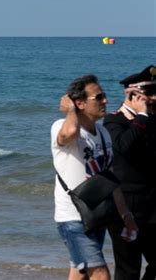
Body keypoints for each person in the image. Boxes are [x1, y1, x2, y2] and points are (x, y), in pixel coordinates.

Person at [51, 75, 138, 280]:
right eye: (98, 97)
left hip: (97, 215)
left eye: (104, 96)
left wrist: (126, 215)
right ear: (80, 103)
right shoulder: (60, 127)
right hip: (73, 218)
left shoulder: (103, 133)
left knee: (79, 273)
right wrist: (70, 110)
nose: (105, 101)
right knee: (100, 274)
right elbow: (70, 132)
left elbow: (111, 179)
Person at [103, 65, 156, 280]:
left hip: (153, 206)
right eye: (150, 94)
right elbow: (124, 146)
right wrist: (142, 116)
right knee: (128, 269)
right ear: (133, 95)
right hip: (127, 209)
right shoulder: (114, 120)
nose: (154, 98)